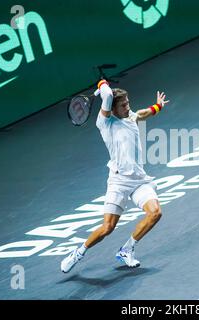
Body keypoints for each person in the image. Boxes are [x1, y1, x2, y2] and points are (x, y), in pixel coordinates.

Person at [61, 79, 170, 273]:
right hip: (118, 182)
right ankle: (78, 252)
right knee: (108, 227)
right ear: (112, 108)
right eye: (124, 105)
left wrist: (158, 106)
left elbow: (143, 114)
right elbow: (108, 94)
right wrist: (102, 83)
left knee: (155, 213)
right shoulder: (105, 122)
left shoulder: (131, 117)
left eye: (128, 102)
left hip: (139, 180)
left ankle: (126, 249)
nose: (128, 107)